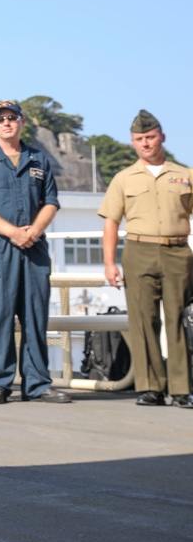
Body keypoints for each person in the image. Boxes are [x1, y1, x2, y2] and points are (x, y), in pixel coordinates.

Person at [0, 100, 71, 405]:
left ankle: (37, 383)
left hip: (34, 247)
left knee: (35, 316)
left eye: (12, 118)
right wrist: (12, 232)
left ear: (22, 122)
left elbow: (51, 201)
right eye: (1, 119)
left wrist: (34, 230)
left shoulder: (39, 159)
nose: (7, 122)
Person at [99, 110, 193, 408]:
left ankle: (180, 389)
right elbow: (111, 222)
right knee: (143, 320)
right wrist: (109, 263)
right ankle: (151, 387)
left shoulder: (184, 174)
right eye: (139, 139)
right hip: (139, 252)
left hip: (178, 252)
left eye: (150, 137)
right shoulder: (124, 178)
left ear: (161, 137)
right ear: (132, 142)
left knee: (177, 319)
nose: (146, 143)